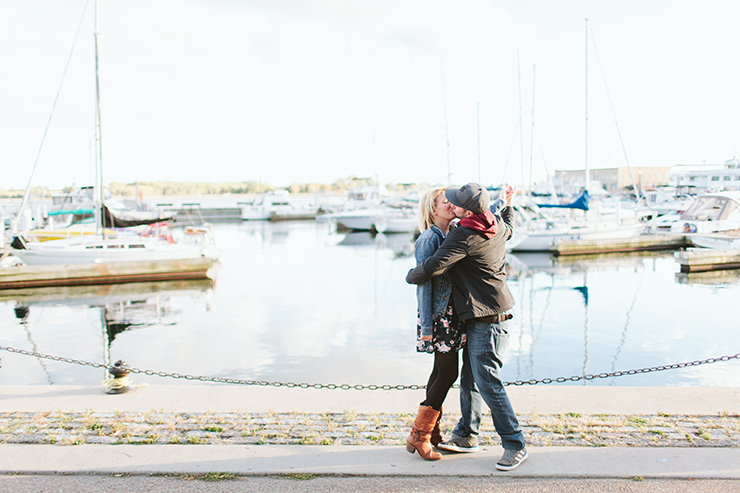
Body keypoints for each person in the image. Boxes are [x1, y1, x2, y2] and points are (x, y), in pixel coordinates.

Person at [405, 182, 528, 472]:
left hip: (489, 319)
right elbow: (508, 225)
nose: (452, 205)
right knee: (470, 379)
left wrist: (411, 275)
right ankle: (465, 435)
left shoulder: (464, 235)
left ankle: (515, 443)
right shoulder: (492, 223)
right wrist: (507, 205)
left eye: (456, 202)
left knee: (487, 382)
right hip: (477, 317)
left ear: (466, 210)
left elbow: (433, 266)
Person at [404, 187, 460, 461]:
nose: (450, 205)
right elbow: (423, 286)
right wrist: (427, 327)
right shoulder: (429, 238)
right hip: (439, 317)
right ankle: (419, 434)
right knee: (448, 374)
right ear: (432, 208)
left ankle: (432, 432)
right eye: (444, 201)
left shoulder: (451, 233)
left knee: (440, 372)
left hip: (450, 315)